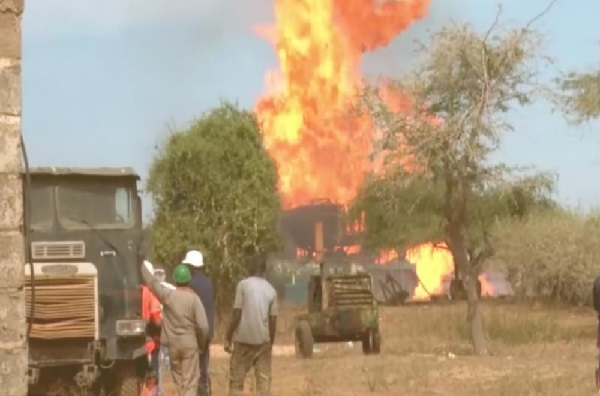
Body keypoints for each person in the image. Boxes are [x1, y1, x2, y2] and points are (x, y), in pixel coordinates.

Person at [141, 260, 209, 396]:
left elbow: (153, 284)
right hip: (190, 345)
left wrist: (140, 264)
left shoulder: (168, 296)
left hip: (172, 346)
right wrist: (201, 344)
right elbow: (203, 326)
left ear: (175, 280)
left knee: (180, 382)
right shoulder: (194, 299)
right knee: (189, 383)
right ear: (189, 280)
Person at [224, 253, 278, 396]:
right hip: (263, 341)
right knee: (263, 382)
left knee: (237, 381)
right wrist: (270, 342)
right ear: (264, 270)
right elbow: (273, 320)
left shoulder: (243, 285)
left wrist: (228, 336)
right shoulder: (271, 290)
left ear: (251, 268)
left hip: (243, 340)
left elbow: (237, 313)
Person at [181, 250, 215, 396]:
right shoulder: (208, 283)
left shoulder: (189, 284)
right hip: (207, 331)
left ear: (191, 266)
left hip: (193, 332)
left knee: (191, 370)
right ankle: (205, 390)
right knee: (203, 366)